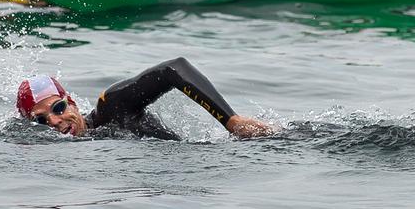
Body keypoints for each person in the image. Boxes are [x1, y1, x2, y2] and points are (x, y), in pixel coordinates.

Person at [17, 58, 274, 139]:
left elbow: (174, 69)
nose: (54, 121)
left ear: (70, 101)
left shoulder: (112, 107)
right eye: (40, 121)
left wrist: (232, 122)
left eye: (58, 108)